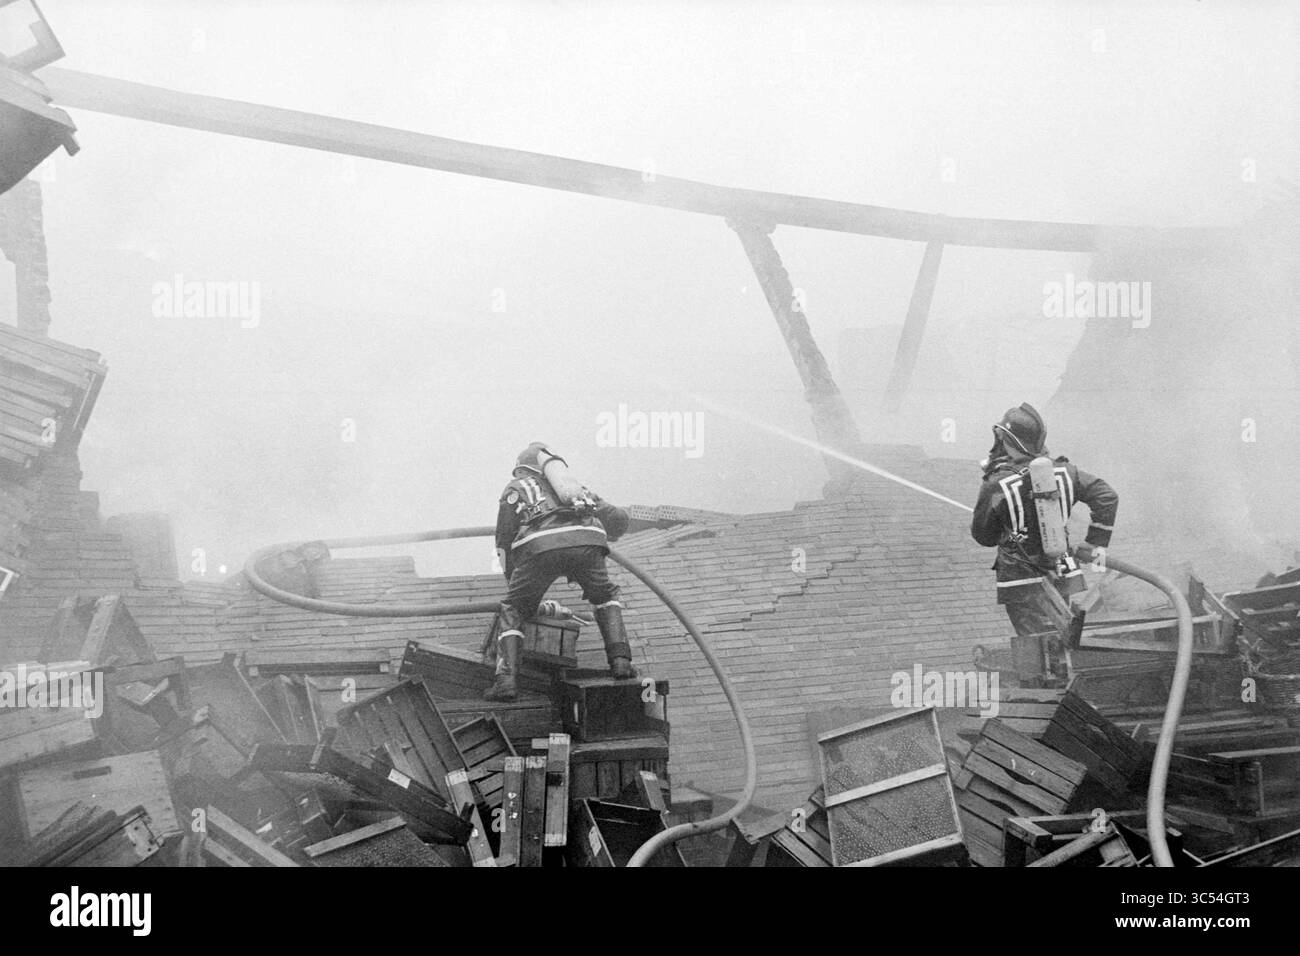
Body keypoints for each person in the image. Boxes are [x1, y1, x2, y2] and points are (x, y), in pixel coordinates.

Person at [970, 404, 1118, 671]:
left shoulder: (996, 484)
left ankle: (1056, 695)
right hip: (1061, 572)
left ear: (1006, 439)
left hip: (1021, 581)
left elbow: (983, 536)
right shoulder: (1066, 472)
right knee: (1060, 634)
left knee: (1038, 650)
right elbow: (1107, 497)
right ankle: (1065, 679)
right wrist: (1094, 543)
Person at [485, 442, 634, 701]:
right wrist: (608, 536)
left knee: (513, 608)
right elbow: (618, 519)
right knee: (605, 596)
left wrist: (515, 585)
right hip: (589, 541)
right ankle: (621, 662)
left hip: (540, 547)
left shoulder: (517, 487)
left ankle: (506, 682)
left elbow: (503, 541)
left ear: (523, 470)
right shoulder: (575, 489)